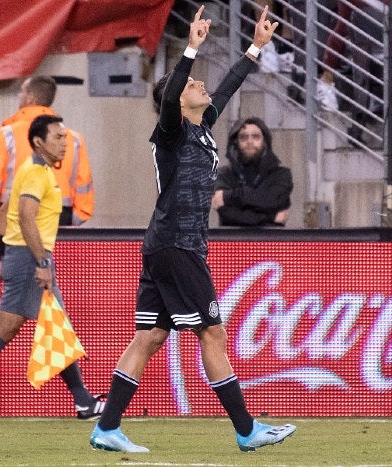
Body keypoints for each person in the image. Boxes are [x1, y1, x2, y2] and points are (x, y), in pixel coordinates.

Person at [89, 5, 296, 453]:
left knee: (149, 336)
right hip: (178, 246)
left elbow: (227, 83)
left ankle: (106, 428)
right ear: (179, 99)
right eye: (191, 83)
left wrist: (256, 46)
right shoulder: (172, 132)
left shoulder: (202, 129)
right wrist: (189, 49)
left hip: (167, 245)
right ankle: (246, 430)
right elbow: (171, 100)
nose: (201, 83)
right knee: (212, 332)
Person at [0, 115, 104, 422]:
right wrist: (43, 262)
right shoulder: (37, 173)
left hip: (20, 255)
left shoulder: (33, 170)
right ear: (39, 141)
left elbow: (5, 209)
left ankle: (83, 401)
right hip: (29, 258)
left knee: (50, 326)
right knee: (15, 327)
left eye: (64, 137)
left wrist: (1, 255)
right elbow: (24, 217)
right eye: (58, 137)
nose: (65, 143)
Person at [0, 75, 94, 282]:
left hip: (14, 232)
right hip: (60, 229)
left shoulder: (5, 136)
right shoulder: (74, 140)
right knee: (41, 301)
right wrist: (68, 223)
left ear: (30, 97)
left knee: (17, 302)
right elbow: (84, 196)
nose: (19, 96)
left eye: (21, 92)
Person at [212, 117, 293, 226]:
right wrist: (270, 217)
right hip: (233, 241)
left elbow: (272, 200)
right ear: (236, 142)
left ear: (265, 141)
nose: (250, 141)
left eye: (256, 137)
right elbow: (227, 214)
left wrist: (230, 196)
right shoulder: (223, 174)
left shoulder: (281, 175)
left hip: (271, 241)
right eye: (244, 137)